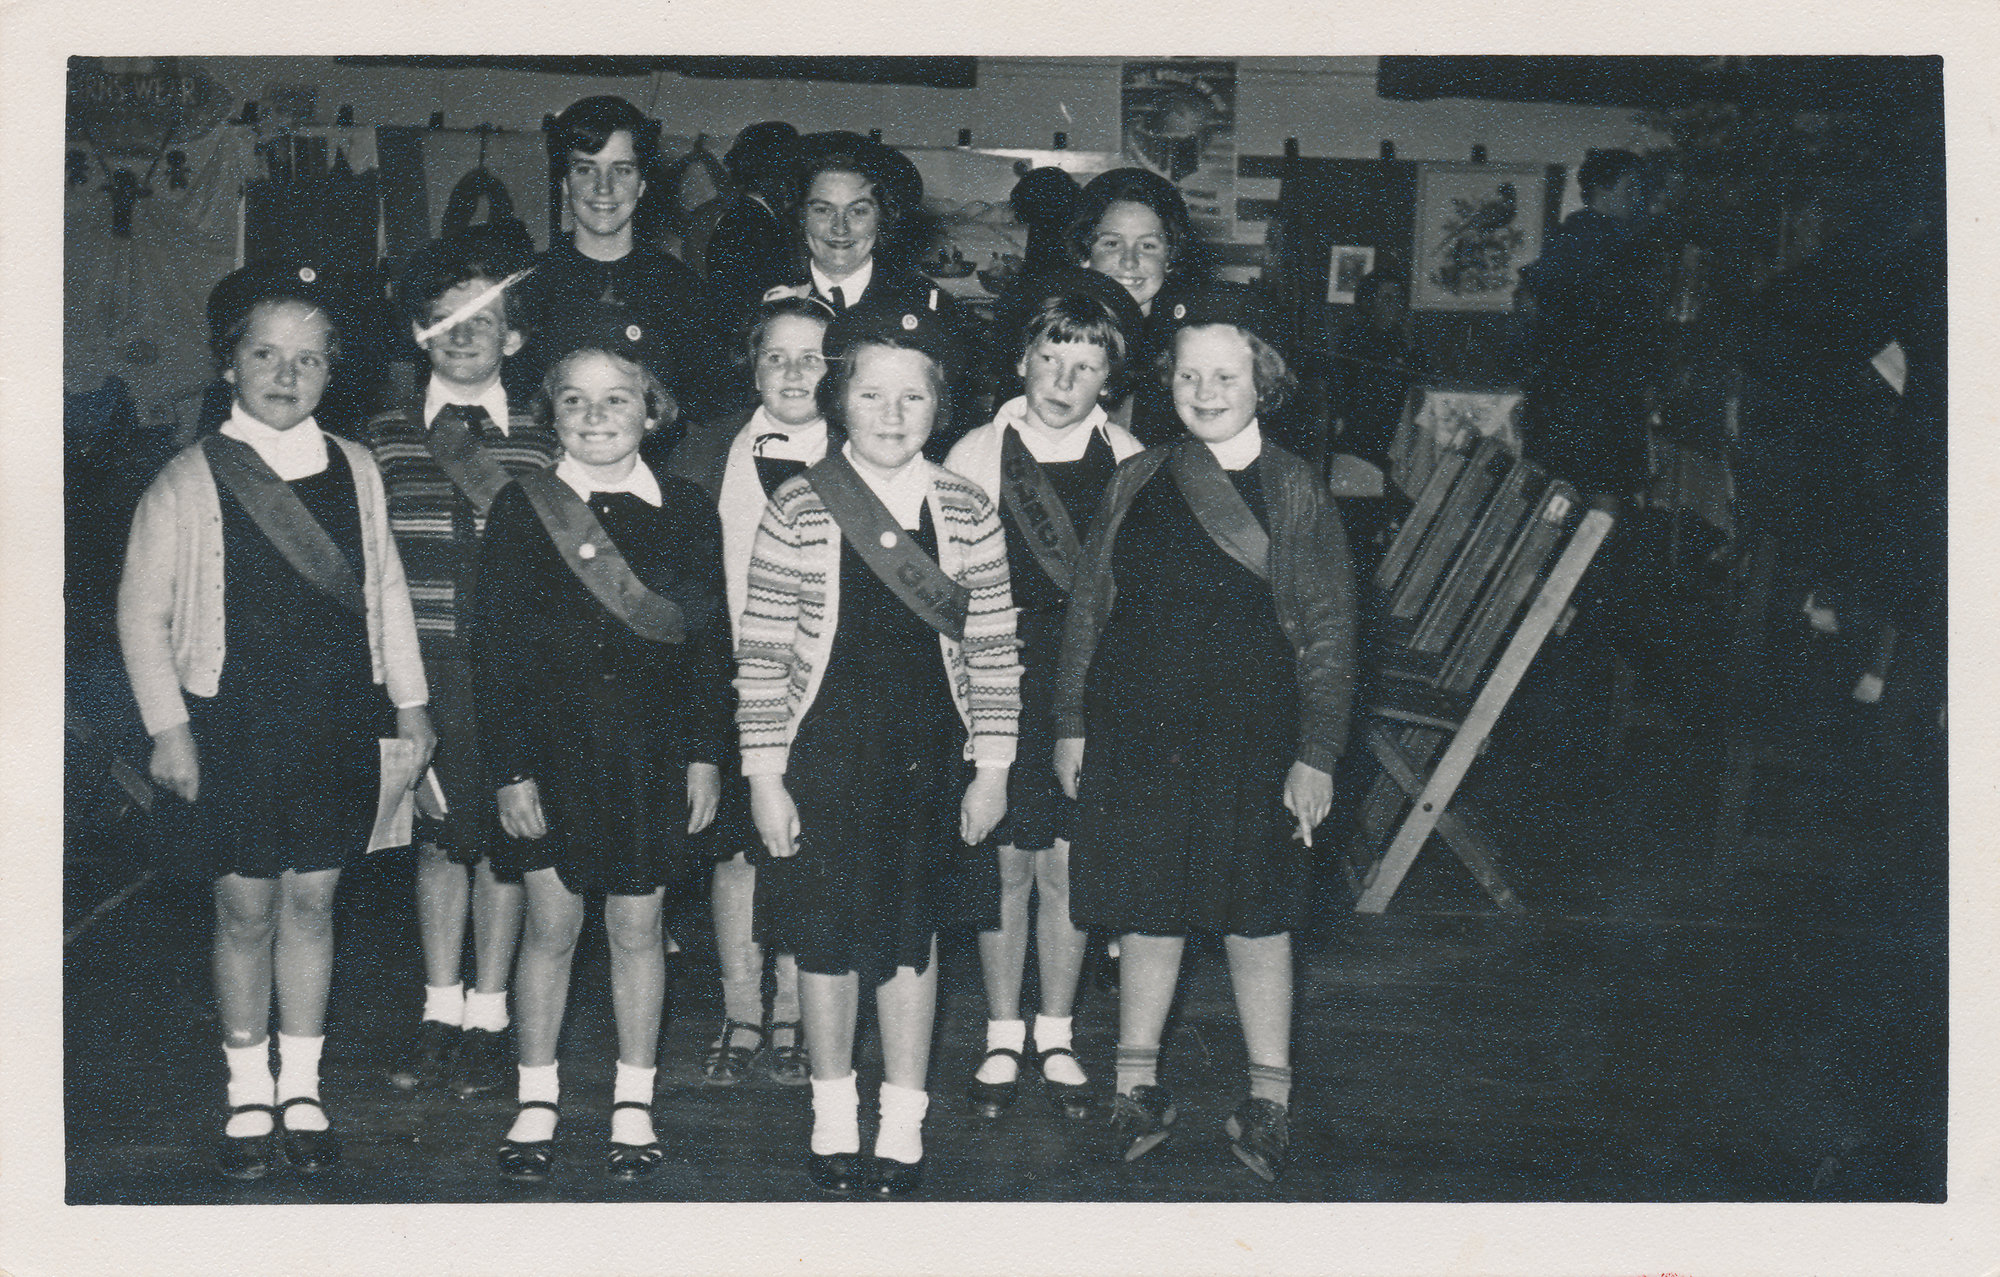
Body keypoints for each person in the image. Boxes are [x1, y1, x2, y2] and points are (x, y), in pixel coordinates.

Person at [118, 261, 435, 1181]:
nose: (285, 373)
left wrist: (412, 709)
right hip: (231, 726)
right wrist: (168, 728)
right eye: (265, 352)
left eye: (307, 358)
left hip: (333, 720)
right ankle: (246, 1085)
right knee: (245, 906)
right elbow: (140, 614)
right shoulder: (188, 476)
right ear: (230, 364)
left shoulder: (361, 470)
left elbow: (387, 595)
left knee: (313, 902)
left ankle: (303, 1082)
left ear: (334, 372)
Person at [1053, 285, 1356, 1184]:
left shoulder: (1296, 487)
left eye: (1225, 373)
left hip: (1254, 739)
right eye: (1189, 374)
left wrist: (1318, 753)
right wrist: (1071, 721)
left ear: (1263, 380)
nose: (1206, 388)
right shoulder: (1139, 477)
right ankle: (1137, 1085)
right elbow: (1090, 608)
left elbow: (1331, 633)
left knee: (1258, 920)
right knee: (1149, 910)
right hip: (1140, 733)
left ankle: (1269, 1098)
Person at [735, 305, 1021, 1197]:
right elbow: (765, 648)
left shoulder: (968, 509)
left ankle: (903, 1115)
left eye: (913, 396)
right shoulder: (799, 503)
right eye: (870, 393)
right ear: (838, 400)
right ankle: (832, 1110)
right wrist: (764, 773)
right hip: (822, 755)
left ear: (941, 407)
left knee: (911, 941)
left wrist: (996, 765)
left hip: (929, 759)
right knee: (823, 941)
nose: (891, 413)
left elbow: (995, 646)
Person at [472, 337, 732, 1183]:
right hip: (551, 755)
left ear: (651, 411)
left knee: (637, 926)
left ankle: (633, 1098)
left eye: (615, 398)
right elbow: (494, 649)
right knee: (551, 927)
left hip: (653, 755)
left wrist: (704, 753)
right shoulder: (524, 507)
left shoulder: (688, 508)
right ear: (551, 414)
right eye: (574, 400)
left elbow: (707, 646)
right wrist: (510, 769)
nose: (594, 417)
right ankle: (536, 1096)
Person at [943, 275, 1145, 1123]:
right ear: (1022, 359)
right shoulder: (971, 454)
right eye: (1050, 357)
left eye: (1086, 363)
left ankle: (1055, 1030)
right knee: (1004, 862)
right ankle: (1000, 1029)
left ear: (1111, 377)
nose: (1064, 379)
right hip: (996, 672)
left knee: (1068, 863)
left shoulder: (1134, 463)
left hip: (1089, 681)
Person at [367, 236, 561, 1097]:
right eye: (445, 316)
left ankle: (491, 1010)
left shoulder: (548, 435)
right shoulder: (382, 436)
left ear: (515, 338)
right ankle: (437, 1007)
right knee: (440, 845)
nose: (463, 331)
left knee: (506, 847)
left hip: (519, 676)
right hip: (425, 670)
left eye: (485, 317)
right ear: (419, 331)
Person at [665, 293, 839, 1088]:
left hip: (831, 686)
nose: (795, 371)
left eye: (814, 356)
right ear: (752, 363)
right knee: (736, 851)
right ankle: (742, 1009)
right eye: (777, 355)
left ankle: (800, 1012)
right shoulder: (705, 451)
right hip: (732, 679)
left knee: (805, 848)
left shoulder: (866, 448)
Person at [511, 96, 712, 426]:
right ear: (564, 183)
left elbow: (709, 418)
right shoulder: (526, 288)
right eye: (585, 169)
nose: (603, 188)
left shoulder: (681, 289)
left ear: (642, 184)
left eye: (622, 170)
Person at [1515, 148, 1658, 509]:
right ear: (1603, 189)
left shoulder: (1573, 237)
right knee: (1601, 501)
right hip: (1597, 397)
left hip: (1570, 394)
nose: (1636, 196)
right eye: (1630, 187)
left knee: (1563, 499)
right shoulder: (1604, 243)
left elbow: (1528, 301)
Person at [1066, 167, 1213, 446]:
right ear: (1085, 254)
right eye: (1111, 243)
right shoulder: (1055, 337)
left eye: (1147, 246)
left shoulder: (1188, 349)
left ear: (1170, 258)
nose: (1129, 261)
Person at [700, 122, 803, 347]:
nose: (793, 181)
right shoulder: (746, 225)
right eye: (789, 169)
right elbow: (742, 308)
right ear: (772, 171)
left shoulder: (756, 219)